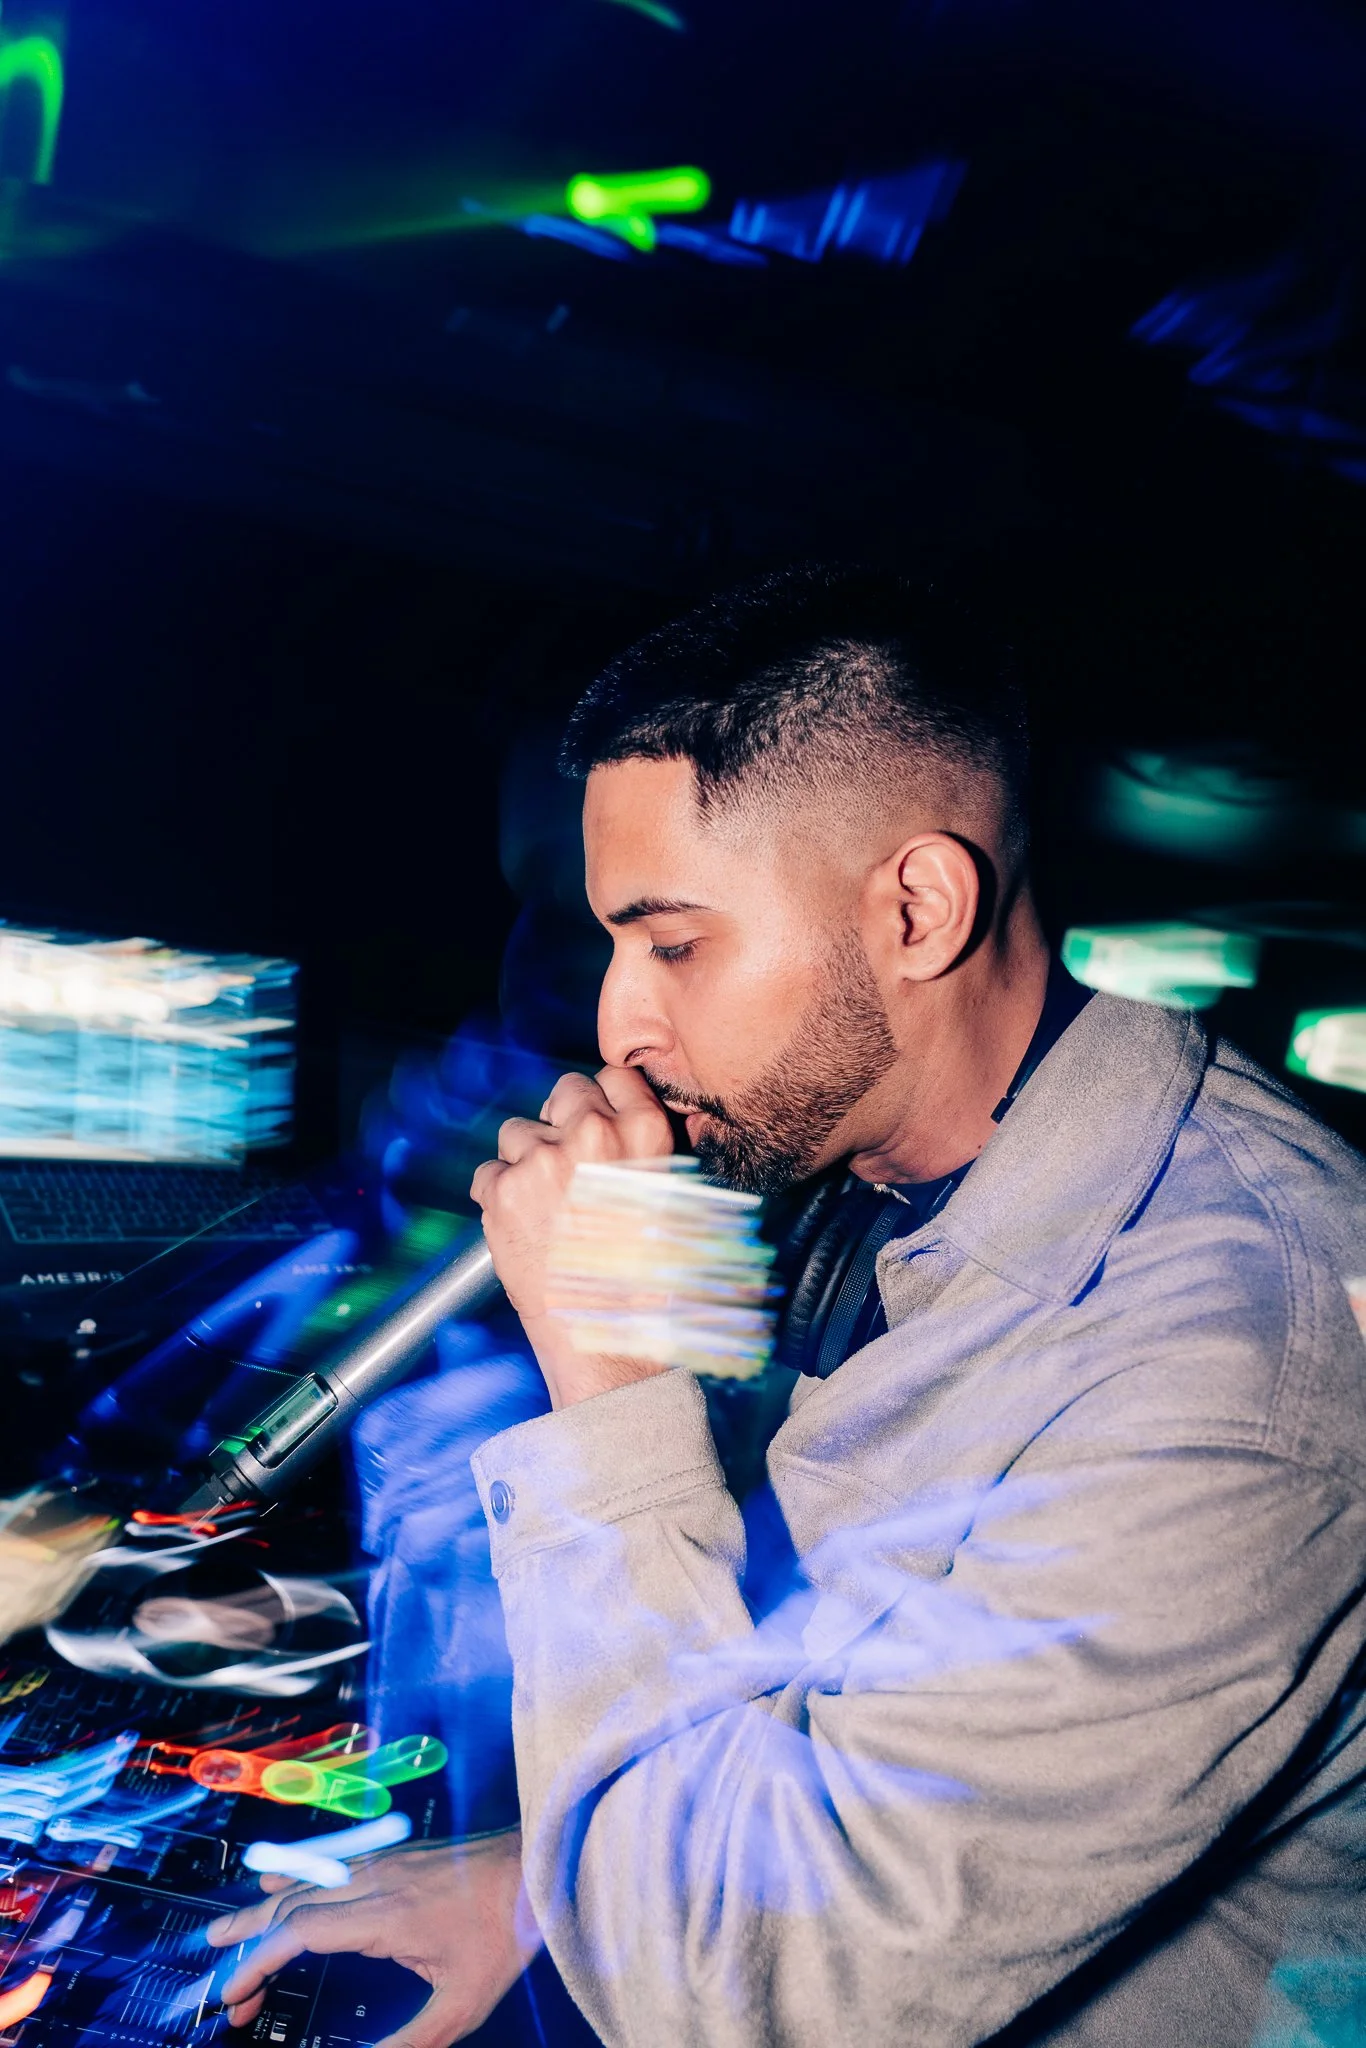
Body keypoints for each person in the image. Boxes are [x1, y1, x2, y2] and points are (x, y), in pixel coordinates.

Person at [210, 565, 1366, 2048]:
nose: (618, 1020)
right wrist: (543, 1888)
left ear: (917, 909)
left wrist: (611, 1392)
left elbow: (748, 2003)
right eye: (612, 945)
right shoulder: (867, 1190)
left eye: (675, 944)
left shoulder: (1234, 1362)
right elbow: (851, 1714)